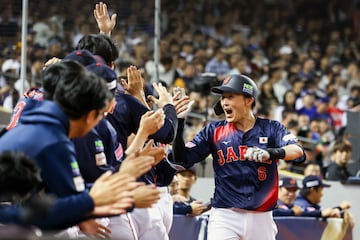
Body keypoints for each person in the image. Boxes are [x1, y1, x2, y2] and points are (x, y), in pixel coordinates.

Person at [0, 61, 152, 236]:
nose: (100, 123)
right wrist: (127, 199)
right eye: (101, 116)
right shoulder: (53, 140)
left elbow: (69, 196)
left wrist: (86, 209)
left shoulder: (42, 122)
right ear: (90, 115)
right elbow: (68, 205)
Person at [171, 74, 306, 240]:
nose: (224, 102)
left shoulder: (271, 128)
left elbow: (298, 151)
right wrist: (179, 123)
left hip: (261, 217)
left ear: (248, 100)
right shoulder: (213, 131)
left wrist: (270, 153)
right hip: (225, 215)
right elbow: (181, 159)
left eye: (230, 97)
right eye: (222, 98)